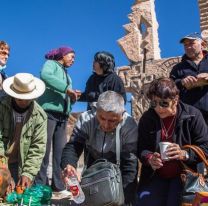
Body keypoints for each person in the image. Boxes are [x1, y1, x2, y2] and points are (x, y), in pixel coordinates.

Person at [137, 77, 208, 206]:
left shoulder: (193, 115)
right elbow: (141, 148)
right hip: (156, 176)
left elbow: (206, 147)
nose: (158, 108)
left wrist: (185, 154)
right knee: (144, 201)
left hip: (186, 176)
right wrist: (149, 158)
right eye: (154, 103)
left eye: (164, 103)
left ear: (175, 100)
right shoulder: (147, 118)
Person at [61, 91, 138, 206]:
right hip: (93, 164)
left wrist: (124, 200)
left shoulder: (129, 125)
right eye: (101, 118)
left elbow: (130, 165)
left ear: (121, 116)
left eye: (112, 120)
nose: (106, 125)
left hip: (119, 170)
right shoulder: (85, 119)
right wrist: (69, 164)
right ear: (96, 111)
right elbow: (73, 146)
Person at [35, 46, 81, 194]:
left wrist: (73, 97)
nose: (73, 60)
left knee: (60, 152)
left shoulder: (68, 76)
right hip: (48, 113)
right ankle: (40, 186)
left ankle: (58, 185)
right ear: (63, 54)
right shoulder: (51, 64)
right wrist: (67, 89)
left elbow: (67, 96)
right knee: (44, 150)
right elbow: (45, 76)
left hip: (62, 117)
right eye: (71, 56)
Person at [0, 73, 47, 188]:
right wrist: (2, 165)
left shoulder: (40, 116)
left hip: (19, 164)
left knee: (15, 194)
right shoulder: (1, 107)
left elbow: (37, 147)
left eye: (28, 99)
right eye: (21, 99)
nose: (24, 102)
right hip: (1, 160)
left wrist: (28, 173)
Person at [170, 32, 208, 124]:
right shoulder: (178, 68)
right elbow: (170, 87)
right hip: (189, 118)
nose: (188, 47)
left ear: (202, 44)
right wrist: (182, 82)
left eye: (191, 43)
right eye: (185, 45)